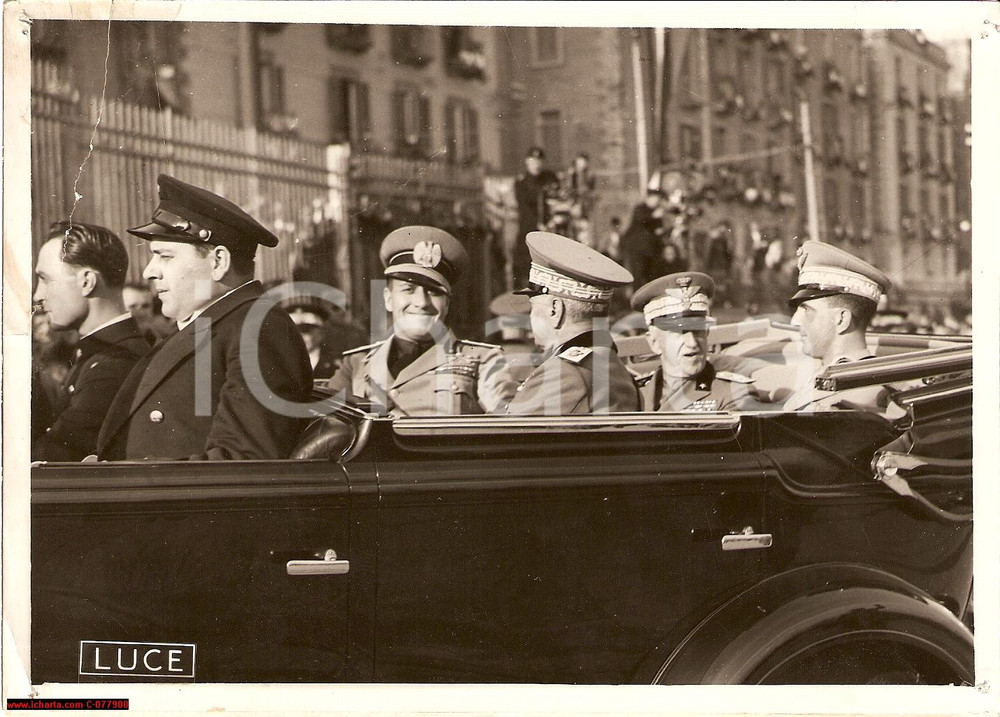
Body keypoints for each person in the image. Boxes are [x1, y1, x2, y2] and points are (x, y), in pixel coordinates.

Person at [95, 175, 313, 461]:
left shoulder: (258, 329)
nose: (149, 271)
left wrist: (121, 478)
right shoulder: (216, 324)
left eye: (165, 256)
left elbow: (243, 464)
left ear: (218, 262)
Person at [325, 226, 508, 417]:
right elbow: (323, 429)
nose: (421, 302)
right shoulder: (355, 366)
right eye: (408, 289)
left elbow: (512, 429)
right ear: (388, 298)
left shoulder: (482, 361)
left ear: (447, 304)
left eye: (434, 292)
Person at [32, 222, 151, 461]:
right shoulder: (99, 354)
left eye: (46, 280)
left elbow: (56, 453)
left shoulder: (115, 364)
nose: (37, 296)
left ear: (87, 281)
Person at [491, 231, 639, 415]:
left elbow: (504, 435)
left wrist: (493, 396)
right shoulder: (607, 362)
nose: (530, 319)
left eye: (533, 307)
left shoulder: (566, 373)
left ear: (555, 310)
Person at [630, 272, 770, 412]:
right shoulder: (634, 393)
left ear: (707, 332)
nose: (692, 343)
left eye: (698, 330)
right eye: (680, 333)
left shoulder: (735, 394)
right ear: (654, 342)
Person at [782, 241, 893, 412]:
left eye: (807, 310)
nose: (795, 321)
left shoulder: (859, 395)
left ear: (841, 320)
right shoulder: (826, 376)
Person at [513, 147, 559, 288]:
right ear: (527, 162)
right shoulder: (521, 182)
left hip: (550, 229)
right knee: (527, 265)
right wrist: (538, 224)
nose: (536, 164)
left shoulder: (549, 178)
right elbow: (525, 209)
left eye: (539, 160)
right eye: (533, 160)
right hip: (529, 230)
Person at [619, 188, 666, 291]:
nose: (657, 202)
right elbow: (641, 220)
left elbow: (658, 229)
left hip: (650, 250)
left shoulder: (656, 212)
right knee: (638, 277)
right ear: (649, 198)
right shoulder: (640, 208)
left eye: (658, 200)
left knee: (650, 276)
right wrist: (654, 216)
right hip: (637, 249)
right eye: (655, 199)